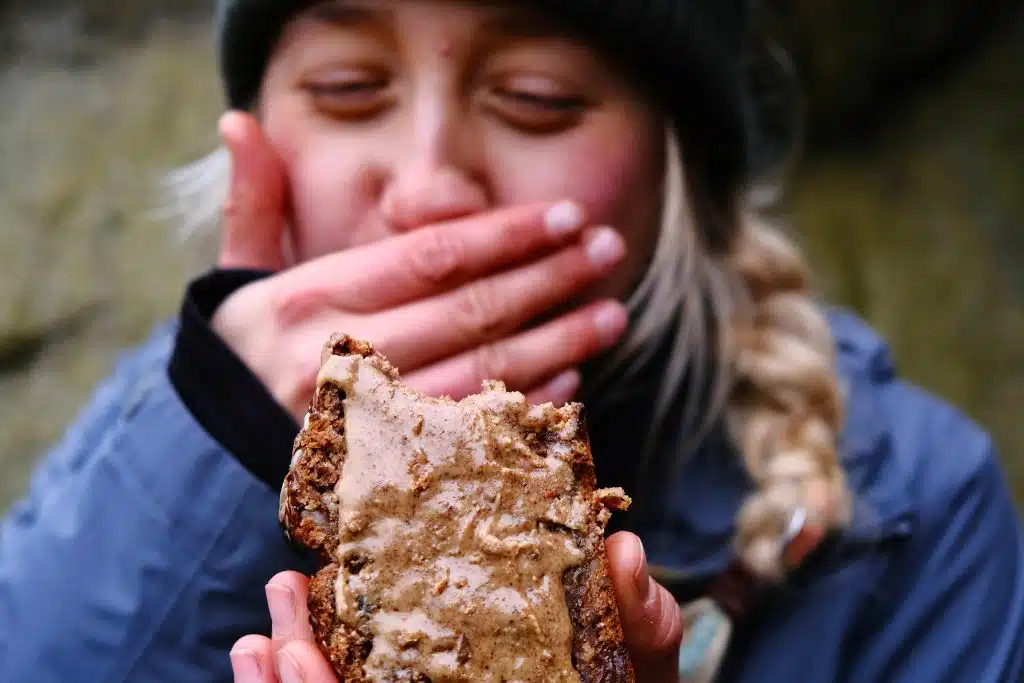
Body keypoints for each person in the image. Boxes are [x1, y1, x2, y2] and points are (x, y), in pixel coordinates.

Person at [2, 0, 1023, 681]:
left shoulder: (909, 505)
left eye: (536, 99)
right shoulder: (151, 440)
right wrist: (218, 445)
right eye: (348, 89)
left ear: (681, 173)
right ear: (253, 141)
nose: (429, 187)